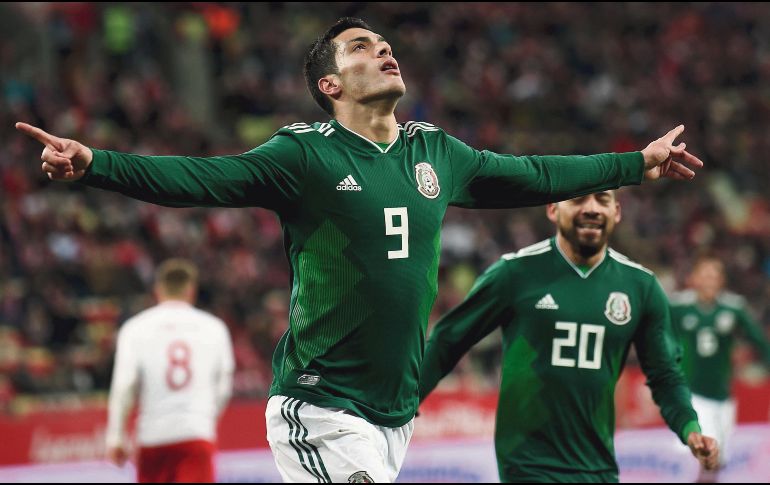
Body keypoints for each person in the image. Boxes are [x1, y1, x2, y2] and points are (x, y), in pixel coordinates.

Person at [18, 16, 704, 483]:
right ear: (330, 86)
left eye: (383, 42)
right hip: (321, 405)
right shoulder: (303, 155)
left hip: (392, 414)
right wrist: (96, 163)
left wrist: (632, 164)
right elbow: (202, 178)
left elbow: (536, 175)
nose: (382, 50)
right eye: (360, 48)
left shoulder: (436, 151)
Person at [419, 190, 719, 483]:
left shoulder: (640, 287)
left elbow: (665, 375)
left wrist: (689, 428)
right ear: (552, 210)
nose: (591, 208)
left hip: (598, 466)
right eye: (578, 199)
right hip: (528, 465)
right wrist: (405, 400)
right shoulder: (516, 272)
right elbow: (449, 339)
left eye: (602, 200)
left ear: (616, 212)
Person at [106, 259, 235, 483]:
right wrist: (204, 419)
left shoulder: (135, 328)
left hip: (152, 436)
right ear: (191, 290)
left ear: (158, 290)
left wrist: (116, 435)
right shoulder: (214, 328)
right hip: (196, 434)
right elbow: (223, 388)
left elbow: (124, 385)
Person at [670, 256, 770, 481]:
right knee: (708, 455)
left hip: (723, 396)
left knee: (718, 461)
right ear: (693, 278)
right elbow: (656, 338)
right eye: (704, 275)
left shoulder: (733, 308)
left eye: (714, 276)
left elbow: (759, 342)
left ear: (722, 280)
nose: (709, 281)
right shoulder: (678, 307)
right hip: (693, 393)